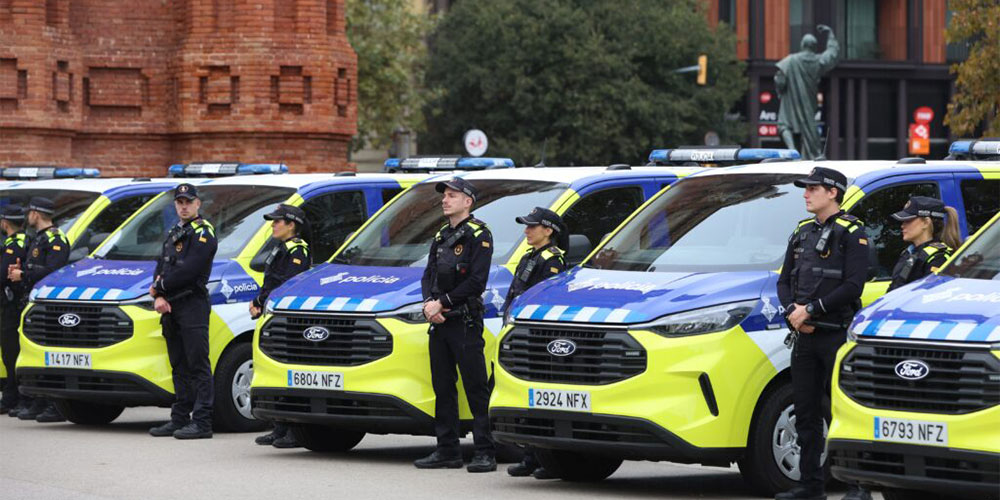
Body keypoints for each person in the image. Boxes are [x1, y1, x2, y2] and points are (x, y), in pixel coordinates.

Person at [776, 167, 871, 500]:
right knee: (805, 411)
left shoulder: (853, 231)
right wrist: (793, 312)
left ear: (832, 192)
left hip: (834, 336)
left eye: (812, 188)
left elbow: (853, 286)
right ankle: (810, 485)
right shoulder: (802, 231)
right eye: (805, 189)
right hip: (804, 336)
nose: (805, 193)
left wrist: (811, 309)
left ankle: (857, 487)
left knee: (843, 411)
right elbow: (783, 280)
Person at [415, 176, 496, 473]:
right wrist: (429, 305)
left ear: (467, 202)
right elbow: (428, 275)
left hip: (464, 321)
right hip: (439, 321)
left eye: (452, 195)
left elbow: (476, 282)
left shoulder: (479, 234)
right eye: (444, 195)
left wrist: (443, 302)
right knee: (443, 387)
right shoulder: (441, 235)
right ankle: (447, 450)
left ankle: (485, 451)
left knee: (476, 388)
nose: (445, 200)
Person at [148, 183, 219, 440]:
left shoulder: (203, 233)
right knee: (178, 365)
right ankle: (179, 418)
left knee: (197, 364)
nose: (184, 206)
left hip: (192, 304)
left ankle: (202, 422)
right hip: (170, 305)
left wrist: (159, 288)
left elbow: (189, 270)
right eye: (179, 202)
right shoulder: (176, 230)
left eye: (188, 201)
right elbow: (163, 263)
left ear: (198, 203)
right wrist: (160, 293)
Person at [503, 207, 567, 480]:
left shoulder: (553, 260)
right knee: (526, 398)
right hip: (522, 334)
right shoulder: (530, 256)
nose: (526, 230)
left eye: (532, 226)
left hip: (540, 338)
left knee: (542, 400)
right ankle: (529, 456)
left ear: (548, 230)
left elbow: (545, 299)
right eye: (526, 226)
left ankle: (546, 459)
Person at [251, 204, 311, 448]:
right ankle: (279, 427)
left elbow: (286, 285)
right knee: (278, 372)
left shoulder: (298, 250)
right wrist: (258, 301)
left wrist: (260, 301)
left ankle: (295, 431)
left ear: (291, 224)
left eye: (277, 221)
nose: (273, 225)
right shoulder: (281, 248)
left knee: (293, 374)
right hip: (275, 316)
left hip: (291, 320)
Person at [9, 197, 70, 423]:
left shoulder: (56, 239)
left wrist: (23, 275)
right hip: (32, 304)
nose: (27, 216)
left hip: (49, 307)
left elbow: (54, 271)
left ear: (36, 213)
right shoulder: (39, 238)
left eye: (30, 212)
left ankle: (55, 405)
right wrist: (20, 269)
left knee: (51, 355)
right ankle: (39, 400)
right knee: (38, 355)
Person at [775, 25, 839, 160]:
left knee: (784, 123)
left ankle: (792, 150)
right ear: (814, 47)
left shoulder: (791, 60)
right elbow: (832, 55)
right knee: (809, 129)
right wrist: (830, 35)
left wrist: (780, 89)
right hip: (808, 103)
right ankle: (804, 153)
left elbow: (780, 79)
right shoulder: (818, 61)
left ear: (802, 45)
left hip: (791, 100)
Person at [887, 196, 962, 292]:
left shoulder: (939, 257)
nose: (902, 225)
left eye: (908, 220)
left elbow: (931, 295)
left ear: (926, 223)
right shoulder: (909, 252)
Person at [0, 205, 28, 416]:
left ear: (5, 222)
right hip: (12, 303)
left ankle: (13, 396)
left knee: (11, 352)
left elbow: (3, 275)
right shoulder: (21, 241)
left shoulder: (14, 244)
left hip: (11, 304)